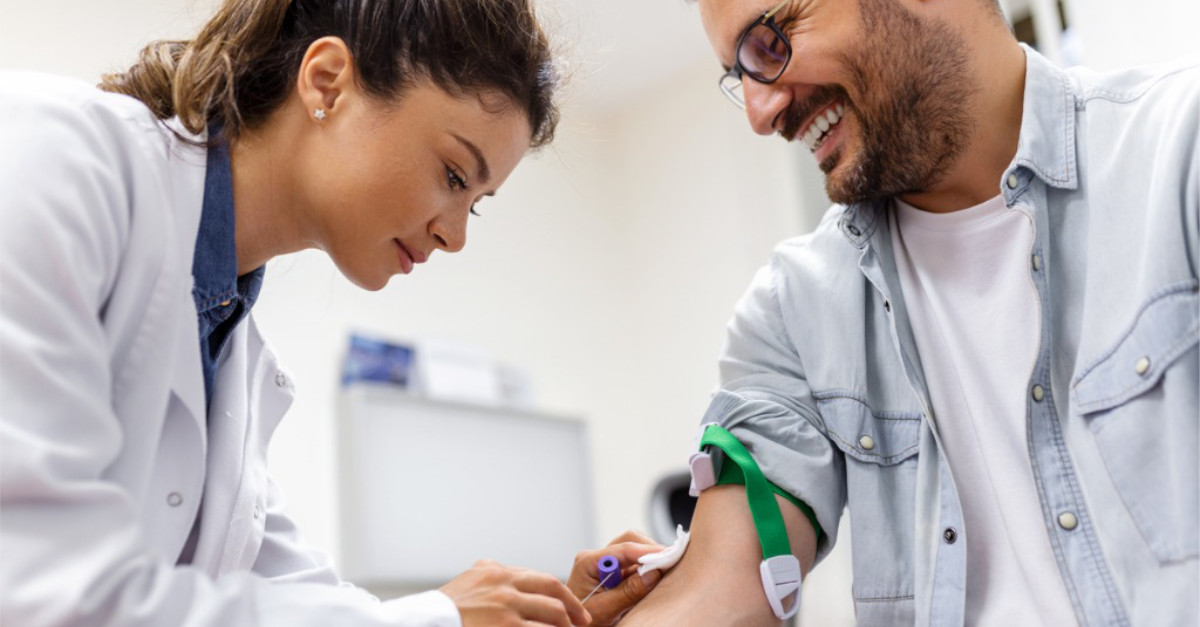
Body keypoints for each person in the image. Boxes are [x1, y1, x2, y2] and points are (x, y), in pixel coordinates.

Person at [0, 0, 663, 625]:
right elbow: (43, 588)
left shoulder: (234, 355)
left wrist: (540, 610)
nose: (455, 235)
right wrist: (443, 614)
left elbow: (309, 602)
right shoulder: (58, 155)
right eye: (455, 175)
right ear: (326, 83)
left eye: (475, 202)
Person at [618, 0, 1199, 625]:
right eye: (742, 78)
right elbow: (719, 591)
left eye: (769, 43)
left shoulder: (1178, 153)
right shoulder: (792, 311)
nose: (761, 115)